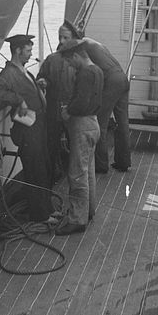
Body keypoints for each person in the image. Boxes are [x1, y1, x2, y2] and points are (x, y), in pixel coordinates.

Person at [0, 34, 54, 222]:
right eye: (28, 50)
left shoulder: (23, 70)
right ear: (17, 51)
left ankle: (47, 210)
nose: (30, 54)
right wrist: (19, 100)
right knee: (34, 171)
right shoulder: (9, 73)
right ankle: (40, 216)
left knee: (43, 168)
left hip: (37, 127)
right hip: (27, 131)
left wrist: (37, 86)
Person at [57, 20, 131, 174]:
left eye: (65, 37)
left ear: (74, 36)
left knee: (100, 122)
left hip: (111, 81)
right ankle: (124, 162)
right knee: (122, 122)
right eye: (60, 38)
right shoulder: (90, 42)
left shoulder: (80, 48)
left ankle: (100, 164)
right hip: (122, 78)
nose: (62, 41)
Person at [52, 39, 103, 234]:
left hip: (82, 125)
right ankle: (89, 210)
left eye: (70, 61)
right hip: (93, 123)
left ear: (75, 56)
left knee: (77, 173)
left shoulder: (84, 73)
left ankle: (77, 219)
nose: (70, 65)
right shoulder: (97, 70)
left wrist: (67, 111)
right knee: (88, 170)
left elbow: (81, 102)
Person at [37, 39, 77, 182]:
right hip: (56, 108)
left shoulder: (55, 59)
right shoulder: (51, 60)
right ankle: (55, 173)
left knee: (66, 142)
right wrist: (43, 81)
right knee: (54, 143)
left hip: (69, 108)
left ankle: (60, 173)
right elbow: (43, 77)